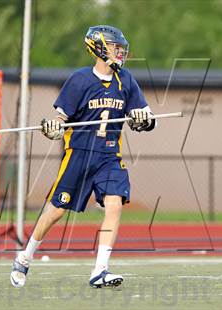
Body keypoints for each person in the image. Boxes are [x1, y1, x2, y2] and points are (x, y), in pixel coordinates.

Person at [10, 25, 156, 289]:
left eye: (121, 48)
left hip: (110, 156)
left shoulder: (127, 81)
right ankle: (25, 257)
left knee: (114, 205)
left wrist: (143, 120)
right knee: (56, 211)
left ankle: (100, 270)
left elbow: (146, 119)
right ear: (99, 48)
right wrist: (53, 129)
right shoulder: (79, 80)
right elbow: (59, 120)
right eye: (115, 47)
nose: (120, 52)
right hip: (79, 155)